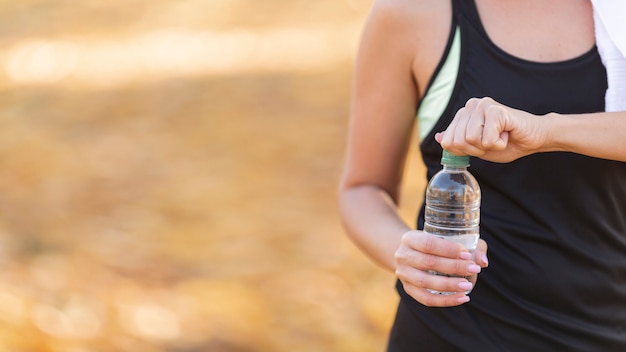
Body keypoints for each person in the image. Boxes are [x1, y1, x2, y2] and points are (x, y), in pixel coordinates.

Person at [338, 0, 626, 350]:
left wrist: (546, 131)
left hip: (605, 330)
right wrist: (409, 253)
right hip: (448, 334)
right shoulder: (413, 13)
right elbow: (363, 188)